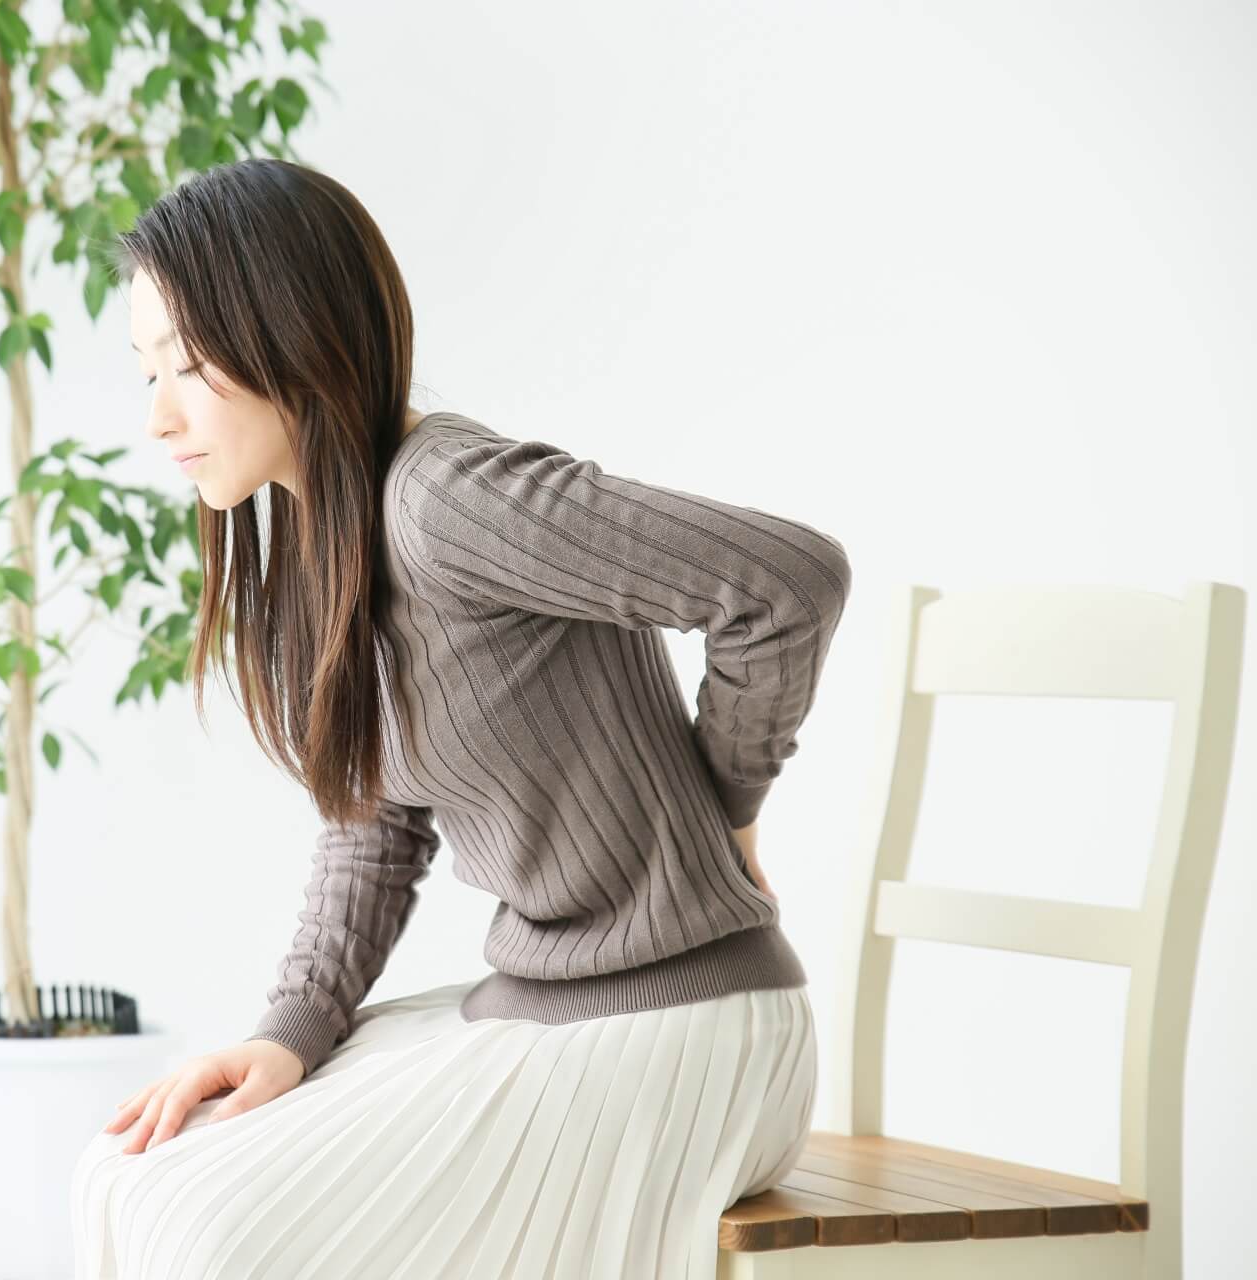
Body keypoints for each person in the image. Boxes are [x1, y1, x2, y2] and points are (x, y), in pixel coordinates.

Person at [71, 157, 849, 1279]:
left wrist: (729, 807)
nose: (158, 416)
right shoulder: (326, 542)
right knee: (130, 1172)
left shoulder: (447, 500)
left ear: (295, 334)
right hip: (543, 1007)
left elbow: (788, 580)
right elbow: (372, 826)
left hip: (687, 1026)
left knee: (214, 1235)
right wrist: (292, 1027)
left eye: (187, 365)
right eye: (149, 370)